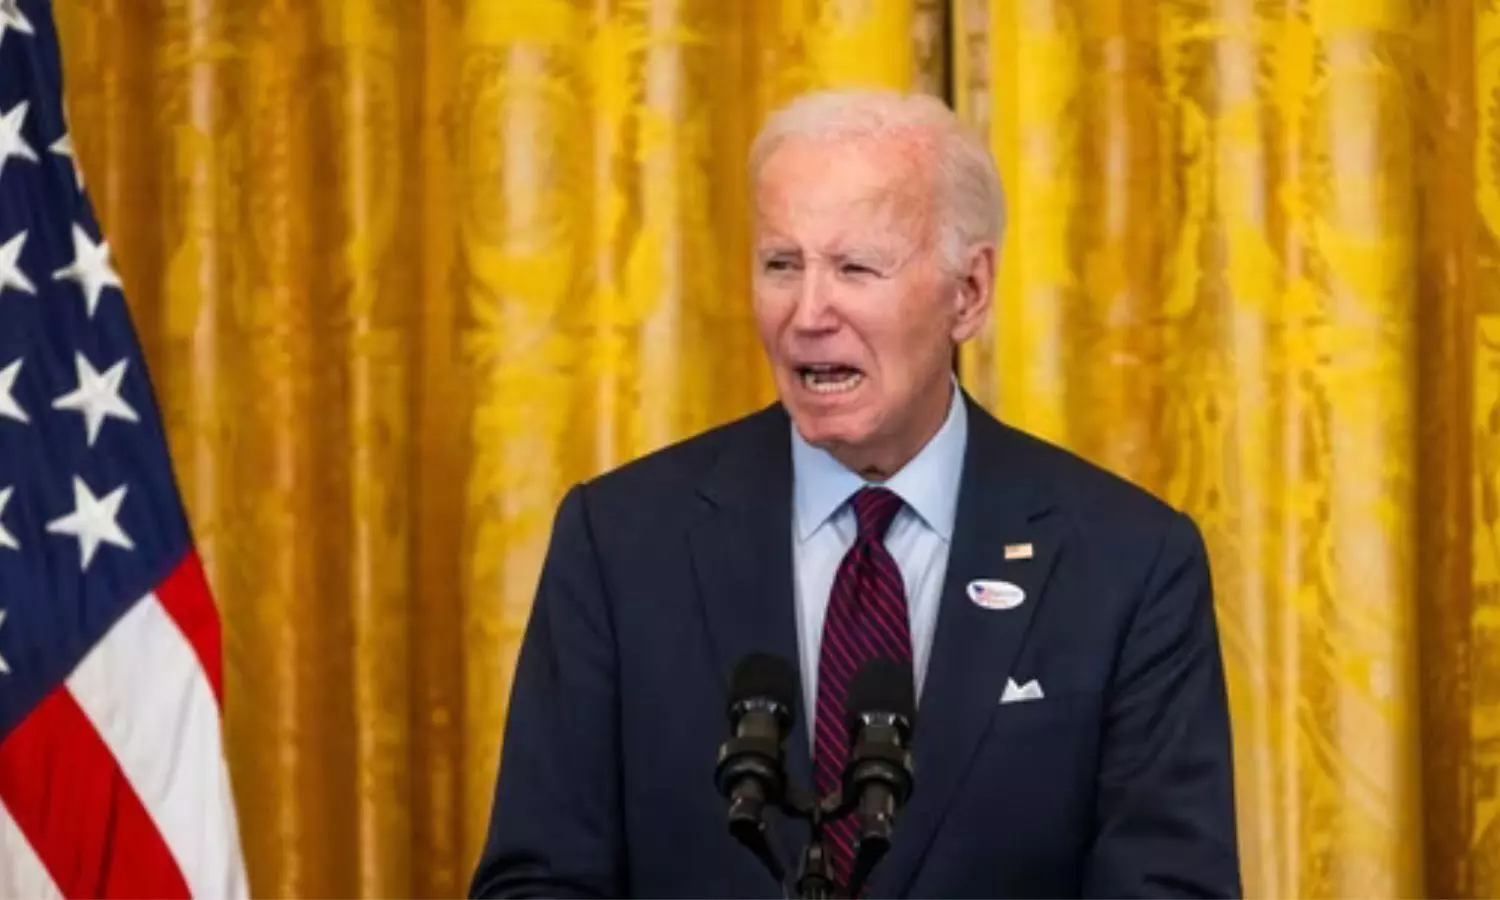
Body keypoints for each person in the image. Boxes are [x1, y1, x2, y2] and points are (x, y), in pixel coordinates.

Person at [468, 88, 1241, 899]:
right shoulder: (620, 544)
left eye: (855, 268)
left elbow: (1171, 885)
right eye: (781, 265)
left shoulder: (1127, 562)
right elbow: (538, 881)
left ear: (968, 294)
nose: (808, 313)